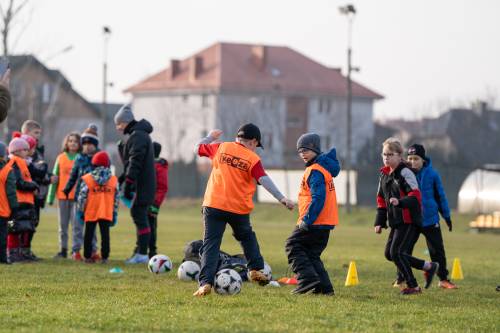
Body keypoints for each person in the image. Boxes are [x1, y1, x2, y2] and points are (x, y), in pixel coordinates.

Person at [193, 123, 295, 297]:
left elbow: (198, 148)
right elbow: (264, 179)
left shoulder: (221, 147)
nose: (256, 149)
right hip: (238, 208)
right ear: (253, 141)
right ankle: (255, 269)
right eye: (257, 145)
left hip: (213, 204)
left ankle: (205, 284)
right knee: (247, 238)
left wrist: (210, 136)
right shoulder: (252, 158)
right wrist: (282, 198)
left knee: (211, 244)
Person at [374, 138, 439, 295]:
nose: (386, 158)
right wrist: (379, 222)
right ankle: (428, 266)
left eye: (390, 154)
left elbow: (415, 196)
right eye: (384, 154)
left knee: (397, 253)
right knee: (390, 254)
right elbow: (381, 201)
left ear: (399, 155)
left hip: (409, 220)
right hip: (396, 221)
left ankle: (413, 286)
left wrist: (400, 202)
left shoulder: (405, 172)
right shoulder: (384, 175)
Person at [285, 133, 340, 295]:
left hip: (314, 221)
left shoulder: (315, 171)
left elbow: (318, 198)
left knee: (292, 245)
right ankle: (324, 288)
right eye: (300, 151)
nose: (302, 154)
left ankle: (306, 279)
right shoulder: (322, 168)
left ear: (315, 149)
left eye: (306, 150)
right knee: (312, 254)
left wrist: (307, 219)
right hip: (324, 222)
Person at [400, 143, 457, 289]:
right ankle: (401, 278)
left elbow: (440, 196)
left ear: (423, 160)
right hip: (412, 220)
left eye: (416, 158)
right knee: (403, 251)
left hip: (430, 219)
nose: (413, 162)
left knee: (437, 250)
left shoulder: (433, 174)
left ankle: (443, 279)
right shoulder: (404, 173)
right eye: (410, 158)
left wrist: (447, 216)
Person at [114, 104, 156, 264]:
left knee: (139, 216)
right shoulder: (141, 135)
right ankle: (139, 252)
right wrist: (123, 178)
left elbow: (135, 162)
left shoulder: (137, 136)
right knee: (141, 216)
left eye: (118, 124)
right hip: (146, 185)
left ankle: (142, 254)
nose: (118, 128)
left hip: (142, 186)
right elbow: (132, 162)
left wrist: (129, 183)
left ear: (125, 122)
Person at [62, 125, 100, 261]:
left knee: (92, 227)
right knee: (77, 226)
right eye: (85, 143)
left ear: (95, 145)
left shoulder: (99, 157)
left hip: (95, 198)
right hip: (80, 198)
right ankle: (76, 251)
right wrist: (67, 189)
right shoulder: (79, 158)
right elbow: (73, 176)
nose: (87, 146)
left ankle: (93, 250)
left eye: (91, 144)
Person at [77, 151, 118, 264]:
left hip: (91, 211)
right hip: (106, 211)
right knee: (105, 235)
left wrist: (81, 210)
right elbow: (116, 198)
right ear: (107, 164)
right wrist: (114, 213)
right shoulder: (113, 179)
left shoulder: (87, 178)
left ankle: (87, 257)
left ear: (93, 164)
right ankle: (105, 257)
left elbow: (82, 196)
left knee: (88, 235)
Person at [47, 132, 81, 259]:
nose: (72, 143)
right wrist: (50, 197)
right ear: (66, 143)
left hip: (76, 198)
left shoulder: (80, 158)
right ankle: (63, 250)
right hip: (62, 198)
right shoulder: (60, 158)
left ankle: (75, 251)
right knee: (63, 226)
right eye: (70, 141)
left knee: (76, 226)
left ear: (79, 145)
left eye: (75, 141)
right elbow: (55, 179)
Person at [6, 138, 38, 263]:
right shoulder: (14, 162)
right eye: (25, 149)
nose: (27, 151)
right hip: (17, 201)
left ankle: (18, 252)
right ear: (17, 151)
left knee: (20, 228)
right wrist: (34, 185)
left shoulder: (21, 162)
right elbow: (18, 183)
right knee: (13, 227)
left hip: (24, 201)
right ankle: (12, 253)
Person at [148, 142, 168, 258]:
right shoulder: (151, 164)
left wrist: (155, 204)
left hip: (153, 202)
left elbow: (162, 187)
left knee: (151, 226)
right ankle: (141, 249)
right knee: (145, 226)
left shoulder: (159, 166)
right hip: (146, 200)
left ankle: (152, 251)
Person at [0, 141, 18, 264]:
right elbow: (11, 192)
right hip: (3, 210)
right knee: (2, 236)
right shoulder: (7, 170)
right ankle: (2, 258)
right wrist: (14, 208)